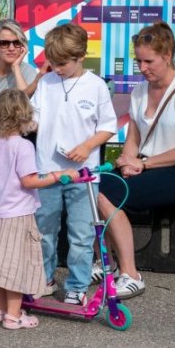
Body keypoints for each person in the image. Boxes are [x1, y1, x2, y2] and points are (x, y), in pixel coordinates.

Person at [96, 21, 175, 298]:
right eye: (139, 61)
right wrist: (126, 159)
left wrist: (143, 164)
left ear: (167, 56)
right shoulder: (139, 91)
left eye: (149, 61)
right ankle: (108, 264)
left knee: (108, 194)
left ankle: (130, 274)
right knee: (94, 185)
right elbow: (134, 139)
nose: (142, 68)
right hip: (149, 165)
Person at [0, 88, 73, 330]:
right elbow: (29, 181)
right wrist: (58, 175)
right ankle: (14, 316)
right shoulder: (23, 146)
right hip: (17, 215)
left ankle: (0, 308)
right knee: (15, 267)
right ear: (24, 117)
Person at [30, 23, 116, 302]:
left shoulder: (96, 86)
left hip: (83, 174)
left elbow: (107, 127)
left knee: (80, 233)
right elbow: (36, 118)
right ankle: (44, 278)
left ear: (81, 57)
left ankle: (77, 286)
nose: (56, 68)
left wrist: (87, 146)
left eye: (62, 63)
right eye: (52, 62)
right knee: (44, 230)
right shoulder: (46, 83)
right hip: (47, 171)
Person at [0, 19, 41, 94]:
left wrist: (15, 68)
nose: (11, 48)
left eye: (17, 43)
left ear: (23, 45)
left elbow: (25, 102)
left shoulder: (28, 71)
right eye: (4, 43)